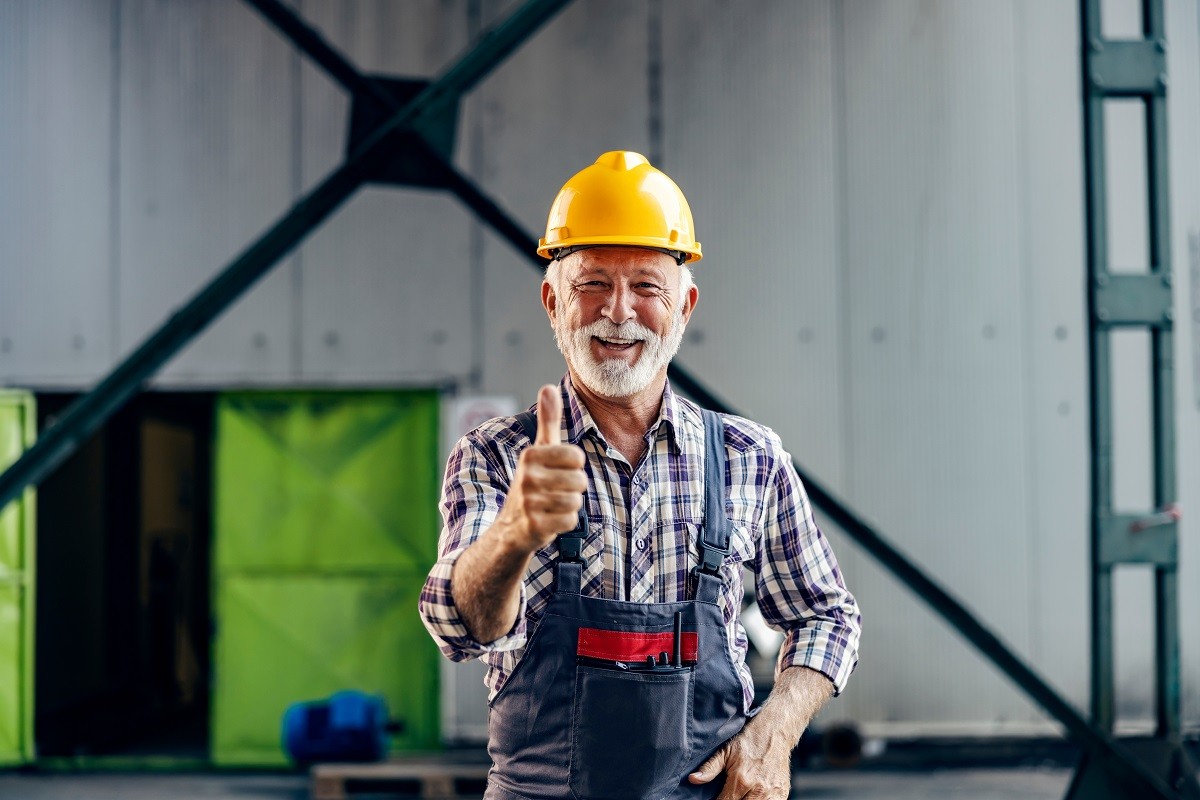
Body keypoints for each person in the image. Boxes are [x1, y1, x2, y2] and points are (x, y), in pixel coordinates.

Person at [419, 151, 861, 800]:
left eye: (647, 286)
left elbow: (827, 614)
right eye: (592, 282)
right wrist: (514, 533)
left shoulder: (750, 458)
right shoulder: (494, 456)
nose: (618, 311)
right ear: (552, 301)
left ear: (685, 305)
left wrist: (775, 732)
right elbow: (459, 629)